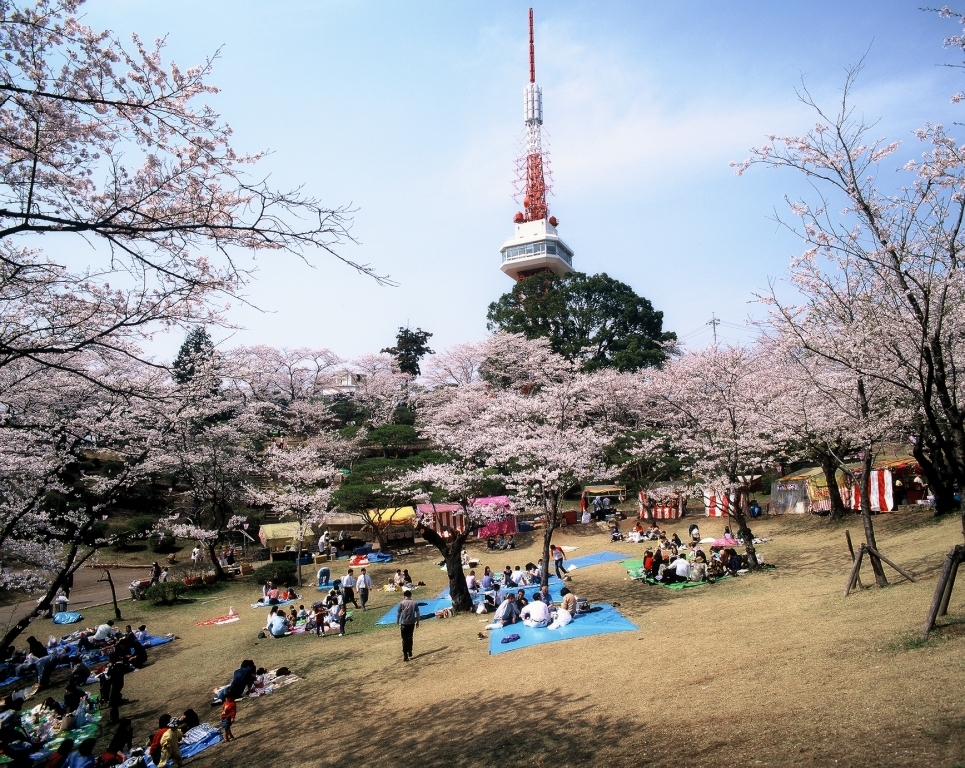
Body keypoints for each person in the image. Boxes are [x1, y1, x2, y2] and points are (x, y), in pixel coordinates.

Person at [396, 589, 419, 662]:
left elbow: (398, 613)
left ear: (404, 596)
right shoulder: (414, 603)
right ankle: (410, 651)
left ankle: (405, 654)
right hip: (411, 622)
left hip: (404, 623)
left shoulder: (401, 603)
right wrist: (418, 622)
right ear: (410, 595)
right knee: (410, 637)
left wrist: (397, 620)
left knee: (404, 639)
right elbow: (418, 613)